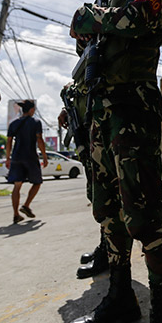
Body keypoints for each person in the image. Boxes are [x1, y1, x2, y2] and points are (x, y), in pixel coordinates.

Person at [65, 0, 162, 323]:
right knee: (109, 209)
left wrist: (93, 19)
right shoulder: (113, 1)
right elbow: (92, 46)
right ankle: (119, 294)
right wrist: (86, 34)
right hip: (101, 111)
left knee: (146, 212)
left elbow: (135, 21)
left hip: (133, 110)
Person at [58, 80, 108, 279]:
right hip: (87, 135)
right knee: (96, 194)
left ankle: (110, 254)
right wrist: (67, 108)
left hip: (103, 131)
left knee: (106, 198)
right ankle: (106, 247)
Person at [6, 99, 48, 223]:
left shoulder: (13, 124)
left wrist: (8, 158)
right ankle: (26, 205)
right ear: (31, 110)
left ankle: (15, 214)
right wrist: (44, 156)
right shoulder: (35, 122)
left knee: (17, 186)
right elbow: (39, 140)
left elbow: (8, 142)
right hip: (30, 157)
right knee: (37, 182)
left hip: (17, 158)